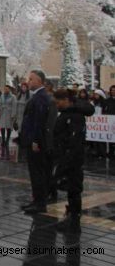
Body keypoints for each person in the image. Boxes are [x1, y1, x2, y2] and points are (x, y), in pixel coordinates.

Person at [52, 88, 94, 234]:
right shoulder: (67, 113)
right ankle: (71, 217)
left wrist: (66, 161)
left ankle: (74, 221)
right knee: (71, 189)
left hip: (72, 158)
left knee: (74, 189)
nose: (56, 105)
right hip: (67, 156)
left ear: (66, 100)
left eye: (58, 102)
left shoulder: (74, 116)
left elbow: (74, 141)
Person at [20, 70, 51, 215]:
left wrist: (35, 141)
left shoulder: (41, 97)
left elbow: (39, 122)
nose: (28, 81)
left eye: (31, 79)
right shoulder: (37, 96)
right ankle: (36, 200)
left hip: (36, 142)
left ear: (39, 80)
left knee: (38, 173)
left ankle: (40, 203)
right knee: (34, 173)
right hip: (32, 140)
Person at [0, 85, 16, 160]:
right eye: (4, 89)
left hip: (9, 113)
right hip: (3, 113)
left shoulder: (13, 97)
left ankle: (7, 140)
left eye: (7, 89)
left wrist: (13, 114)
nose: (5, 90)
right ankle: (3, 139)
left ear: (9, 89)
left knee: (8, 127)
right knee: (2, 127)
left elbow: (14, 106)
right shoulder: (2, 96)